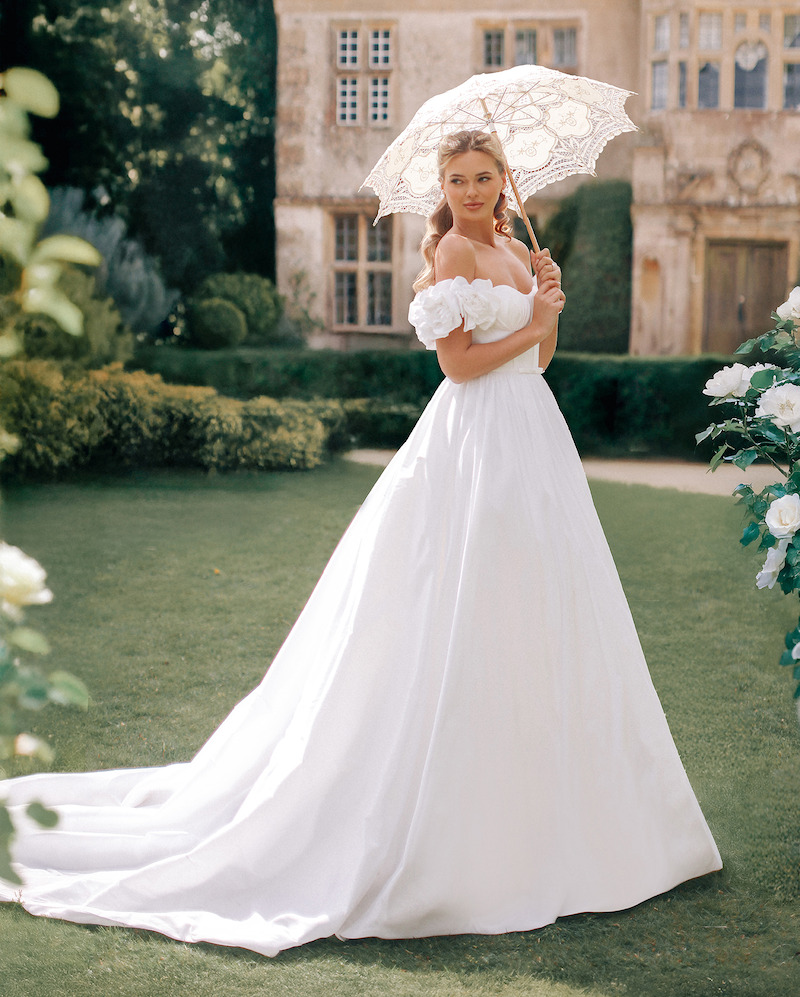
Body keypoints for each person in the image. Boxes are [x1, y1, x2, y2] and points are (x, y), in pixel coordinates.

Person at [0, 129, 721, 956]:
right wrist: (532, 326)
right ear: (443, 189)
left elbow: (541, 361)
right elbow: (457, 365)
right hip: (475, 441)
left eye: (486, 177)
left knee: (541, 608)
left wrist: (545, 300)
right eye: (459, 179)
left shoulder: (522, 249)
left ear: (506, 179)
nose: (475, 190)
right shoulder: (451, 253)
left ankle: (556, 816)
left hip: (533, 440)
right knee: (464, 603)